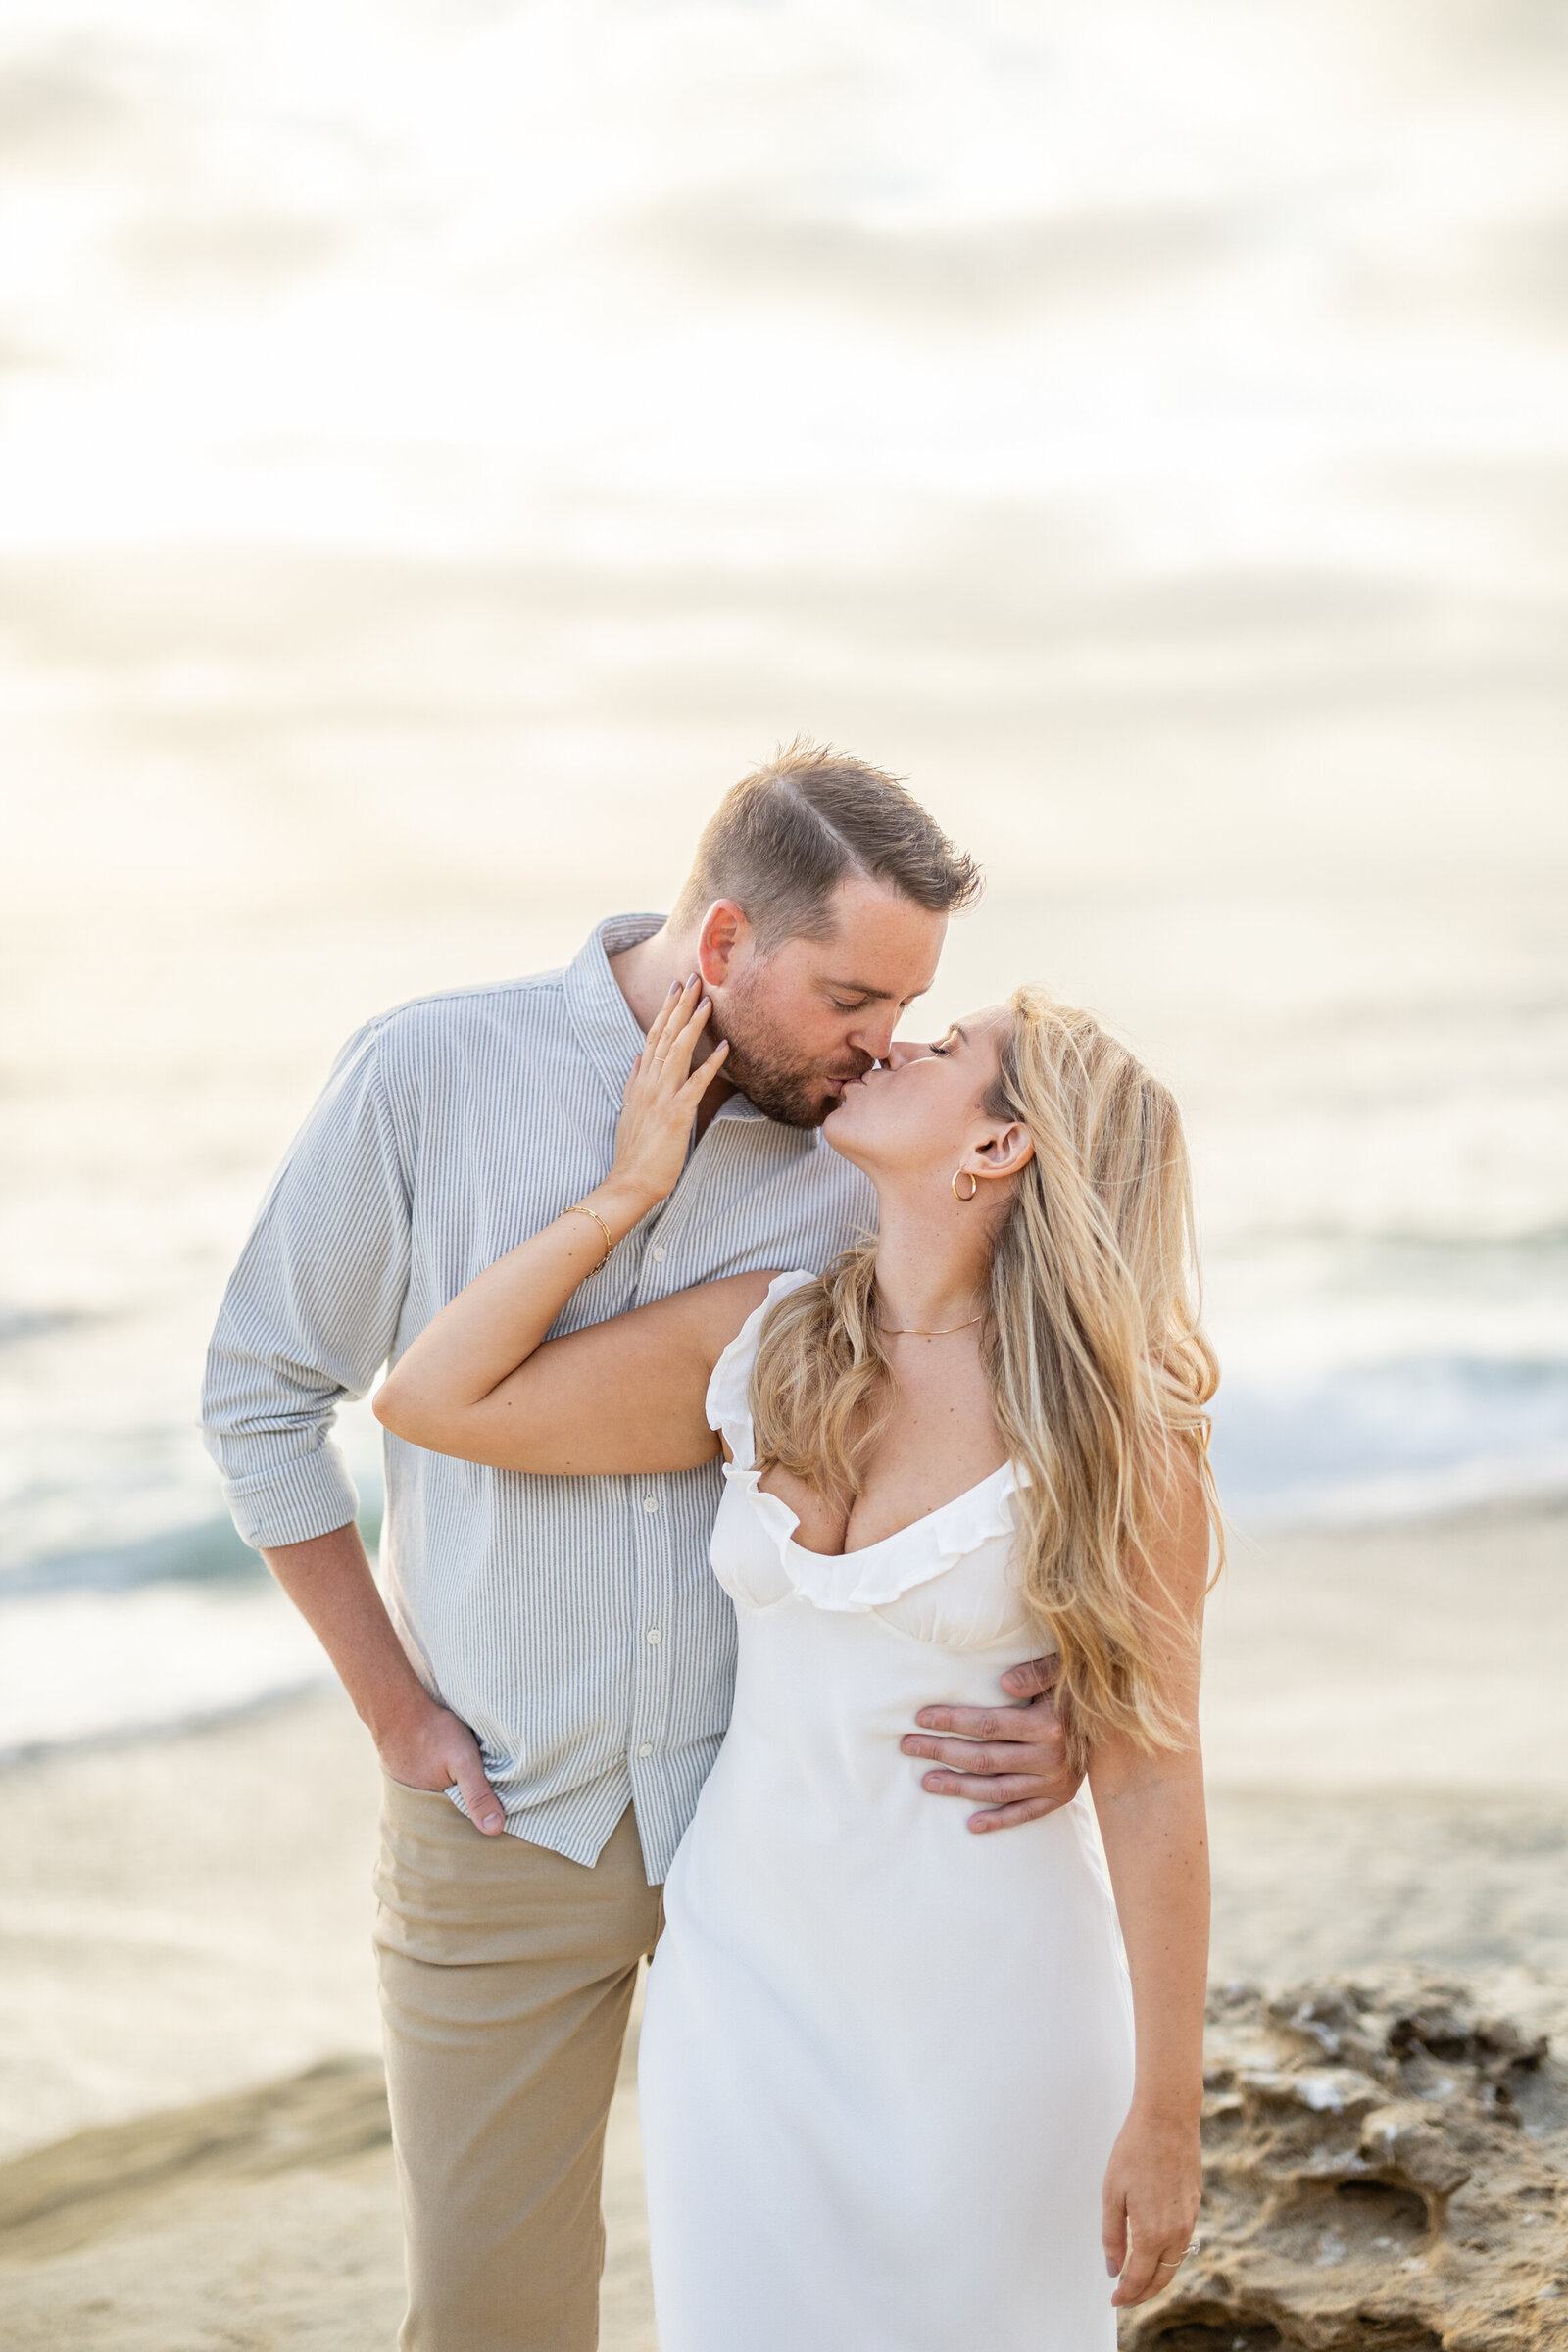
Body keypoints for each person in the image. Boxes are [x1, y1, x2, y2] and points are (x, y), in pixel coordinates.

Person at [200, 742, 1081, 2352]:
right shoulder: (428, 1075)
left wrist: (1072, 1686)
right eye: (850, 1000)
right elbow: (263, 1397)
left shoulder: (871, 1146)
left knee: (817, 2287)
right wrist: (395, 1709)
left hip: (788, 1820)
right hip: (509, 1815)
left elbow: (1060, 1401)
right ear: (727, 942)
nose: (881, 1046)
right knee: (496, 2314)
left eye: (906, 1009)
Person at [374, 972, 1221, 2351]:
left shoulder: (1122, 1437)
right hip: (746, 1987)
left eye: (946, 1047)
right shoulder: (765, 1341)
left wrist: (1168, 2115)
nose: (894, 1041)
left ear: (998, 1147)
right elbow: (435, 1398)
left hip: (992, 2004)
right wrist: (624, 1193)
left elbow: (1152, 1782)